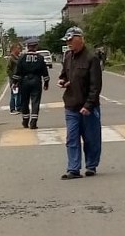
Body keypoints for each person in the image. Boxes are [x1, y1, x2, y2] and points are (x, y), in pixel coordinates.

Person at [58, 26, 102, 180]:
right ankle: (73, 169)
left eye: (70, 40)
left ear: (80, 39)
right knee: (72, 138)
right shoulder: (68, 56)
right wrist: (62, 80)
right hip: (71, 104)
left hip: (88, 107)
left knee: (91, 139)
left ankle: (91, 166)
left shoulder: (92, 58)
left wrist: (88, 105)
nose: (68, 43)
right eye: (67, 41)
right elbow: (64, 74)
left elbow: (95, 85)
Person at [12, 41, 50, 129]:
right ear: (36, 47)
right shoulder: (40, 58)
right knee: (35, 102)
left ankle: (25, 121)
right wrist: (46, 83)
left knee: (24, 101)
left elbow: (18, 71)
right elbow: (45, 72)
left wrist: (14, 82)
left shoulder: (22, 58)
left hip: (24, 81)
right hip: (36, 81)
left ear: (28, 47)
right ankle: (33, 122)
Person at [6, 43, 22, 114]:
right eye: (18, 48)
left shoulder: (18, 57)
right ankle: (12, 109)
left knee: (19, 93)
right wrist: (13, 77)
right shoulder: (11, 58)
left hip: (19, 79)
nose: (19, 50)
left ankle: (19, 107)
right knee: (14, 94)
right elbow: (8, 69)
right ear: (14, 49)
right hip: (13, 79)